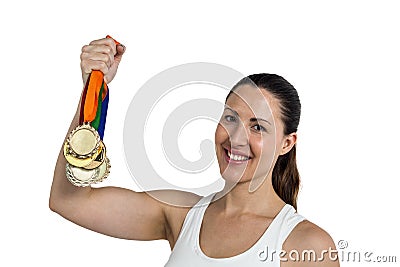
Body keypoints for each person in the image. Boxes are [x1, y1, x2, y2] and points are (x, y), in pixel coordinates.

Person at [49, 37, 340, 267]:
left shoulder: (307, 244)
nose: (237, 138)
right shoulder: (181, 215)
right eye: (230, 118)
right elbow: (67, 200)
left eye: (258, 127)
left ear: (287, 144)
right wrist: (94, 92)